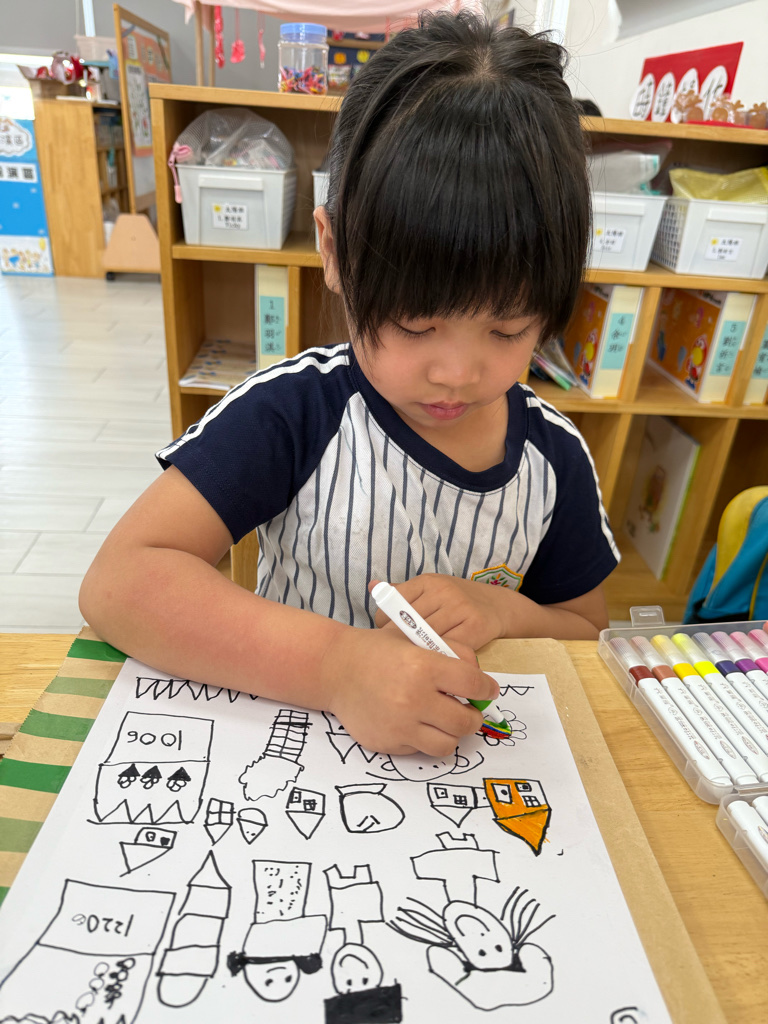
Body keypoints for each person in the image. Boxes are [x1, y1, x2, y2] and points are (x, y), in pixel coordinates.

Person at [79, 12, 618, 760]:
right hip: (286, 754)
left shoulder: (553, 459)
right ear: (332, 250)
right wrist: (337, 667)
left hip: (462, 766)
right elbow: (119, 584)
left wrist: (502, 611)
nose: (457, 372)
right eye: (414, 323)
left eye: (508, 329)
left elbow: (587, 629)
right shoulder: (293, 411)